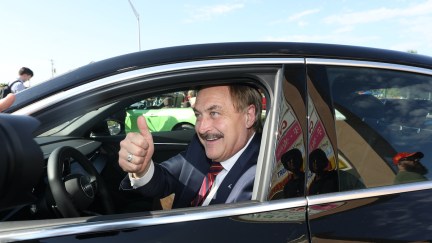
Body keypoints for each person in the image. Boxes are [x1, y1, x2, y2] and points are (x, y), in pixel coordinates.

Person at [119, 84, 263, 208]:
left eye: (214, 113)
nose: (201, 128)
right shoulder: (199, 148)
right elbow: (165, 180)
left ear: (248, 116)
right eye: (198, 115)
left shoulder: (261, 174)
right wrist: (142, 169)